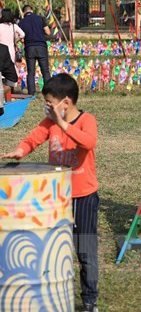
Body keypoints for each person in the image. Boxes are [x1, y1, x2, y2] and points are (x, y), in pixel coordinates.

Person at [2, 74, 99, 310]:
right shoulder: (50, 123)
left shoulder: (87, 120)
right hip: (58, 198)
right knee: (56, 247)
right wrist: (21, 150)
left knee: (85, 251)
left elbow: (88, 142)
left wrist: (62, 124)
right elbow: (35, 137)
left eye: (49, 102)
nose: (47, 107)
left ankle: (89, 301)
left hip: (84, 196)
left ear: (65, 102)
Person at [18, 5, 51, 96]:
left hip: (29, 48)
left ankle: (31, 93)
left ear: (24, 12)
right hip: (41, 47)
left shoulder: (21, 22)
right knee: (45, 71)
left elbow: (21, 38)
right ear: (32, 10)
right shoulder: (40, 18)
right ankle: (49, 92)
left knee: (31, 72)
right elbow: (48, 32)